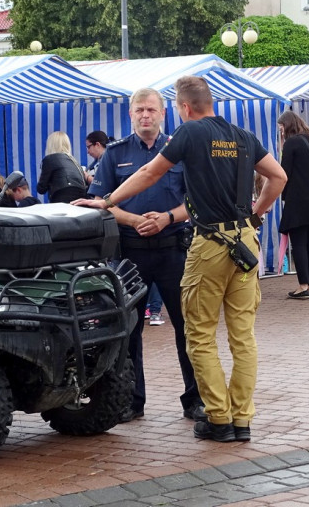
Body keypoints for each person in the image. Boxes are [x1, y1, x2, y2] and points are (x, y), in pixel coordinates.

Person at [76, 75, 286, 444]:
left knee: (199, 334)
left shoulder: (190, 133)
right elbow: (278, 176)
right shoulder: (242, 136)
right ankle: (242, 419)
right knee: (242, 335)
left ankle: (218, 417)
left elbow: (149, 172)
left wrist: (107, 202)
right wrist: (255, 214)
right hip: (244, 242)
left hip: (208, 244)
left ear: (183, 107)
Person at [86, 88, 203, 425]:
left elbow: (196, 202)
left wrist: (168, 218)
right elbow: (103, 204)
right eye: (139, 110)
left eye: (151, 109)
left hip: (173, 250)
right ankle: (130, 400)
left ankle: (195, 399)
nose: (145, 115)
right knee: (128, 331)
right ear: (131, 114)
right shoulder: (114, 154)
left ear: (163, 113)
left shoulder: (179, 151)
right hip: (130, 254)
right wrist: (136, 220)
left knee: (188, 326)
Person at [277, 110, 309, 298]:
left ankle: (303, 285)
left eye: (281, 128)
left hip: (298, 201)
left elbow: (284, 174)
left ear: (288, 126)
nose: (281, 132)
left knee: (299, 243)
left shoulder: (291, 143)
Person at [37, 131, 88, 204]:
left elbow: (41, 189)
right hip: (81, 197)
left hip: (62, 197)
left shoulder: (49, 159)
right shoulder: (75, 162)